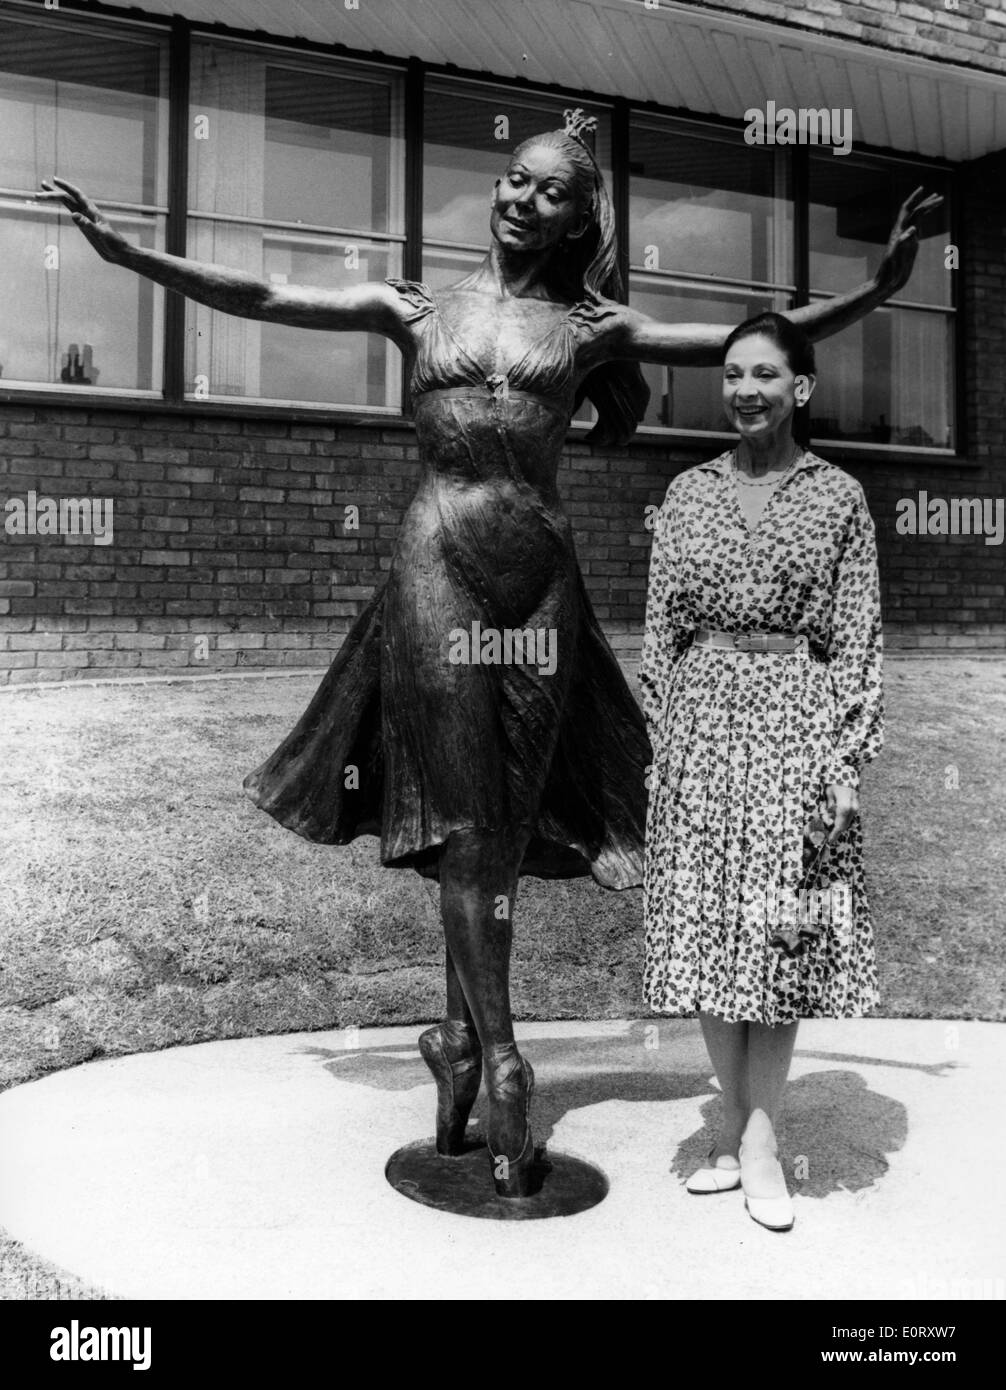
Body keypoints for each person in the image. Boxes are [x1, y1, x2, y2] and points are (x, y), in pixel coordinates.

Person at [40, 110, 935, 1201]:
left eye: (549, 192)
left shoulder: (594, 328)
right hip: (437, 560)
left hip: (539, 575)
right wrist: (126, 252)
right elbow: (267, 296)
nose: (521, 198)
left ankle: (456, 1044)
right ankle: (503, 1057)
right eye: (513, 179)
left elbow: (750, 338)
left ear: (576, 221)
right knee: (466, 810)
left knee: (504, 815)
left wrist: (883, 285)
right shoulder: (411, 303)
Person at [639, 310, 886, 1232]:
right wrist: (662, 749)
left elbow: (857, 635)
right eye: (734, 374)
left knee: (781, 933)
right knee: (711, 933)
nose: (745, 390)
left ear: (801, 389)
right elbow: (661, 632)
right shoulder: (688, 492)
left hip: (794, 722)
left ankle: (760, 1141)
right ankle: (735, 1125)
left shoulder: (839, 497)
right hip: (703, 725)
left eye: (765, 376)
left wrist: (846, 757)